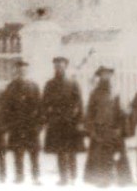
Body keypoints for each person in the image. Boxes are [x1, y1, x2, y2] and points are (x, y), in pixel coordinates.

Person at [84, 66, 132, 187]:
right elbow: (90, 114)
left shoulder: (116, 93)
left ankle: (120, 181)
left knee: (118, 157)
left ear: (111, 76)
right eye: (103, 74)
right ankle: (102, 181)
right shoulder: (94, 94)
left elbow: (121, 113)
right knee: (99, 160)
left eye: (108, 74)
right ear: (99, 76)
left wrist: (120, 129)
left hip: (114, 130)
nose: (106, 77)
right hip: (99, 132)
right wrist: (92, 131)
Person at [43, 56, 85, 186]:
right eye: (56, 66)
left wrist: (79, 121)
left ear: (65, 67)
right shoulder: (49, 84)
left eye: (61, 66)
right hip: (56, 123)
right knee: (60, 151)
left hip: (71, 122)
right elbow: (44, 104)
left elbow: (80, 103)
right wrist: (47, 119)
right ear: (54, 67)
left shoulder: (73, 83)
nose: (58, 68)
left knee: (72, 150)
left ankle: (73, 176)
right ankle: (63, 178)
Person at [2, 59, 43, 184]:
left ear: (27, 71)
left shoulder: (34, 86)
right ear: (16, 71)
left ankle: (36, 177)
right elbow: (6, 108)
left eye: (24, 70)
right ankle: (19, 176)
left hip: (31, 126)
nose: (22, 72)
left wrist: (39, 126)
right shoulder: (10, 87)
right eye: (19, 70)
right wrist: (8, 125)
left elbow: (40, 107)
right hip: (16, 126)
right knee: (17, 153)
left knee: (34, 153)